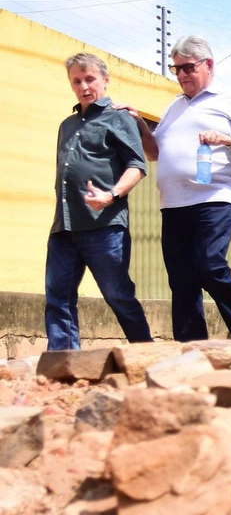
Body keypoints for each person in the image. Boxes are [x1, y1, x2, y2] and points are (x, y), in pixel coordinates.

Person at [122, 35, 231, 342]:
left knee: (209, 262)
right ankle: (191, 347)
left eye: (188, 67)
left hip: (215, 196)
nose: (182, 75)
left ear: (208, 65)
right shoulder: (175, 107)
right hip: (173, 203)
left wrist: (227, 140)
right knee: (182, 278)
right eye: (176, 69)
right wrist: (138, 123)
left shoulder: (229, 98)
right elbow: (154, 152)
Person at [45, 53, 153, 351]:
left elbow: (137, 166)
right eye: (76, 81)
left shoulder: (119, 117)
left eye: (90, 79)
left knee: (117, 294)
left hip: (104, 226)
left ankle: (146, 354)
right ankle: (63, 362)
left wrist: (111, 195)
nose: (84, 86)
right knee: (58, 297)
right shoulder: (66, 125)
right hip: (63, 227)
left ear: (105, 80)